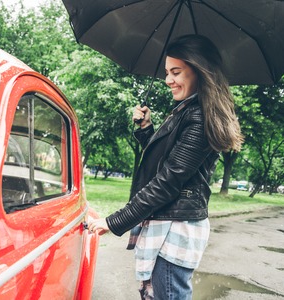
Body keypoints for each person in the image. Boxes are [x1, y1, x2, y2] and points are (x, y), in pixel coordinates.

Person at [87, 34, 243, 299]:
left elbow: (168, 181)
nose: (168, 80)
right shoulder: (186, 109)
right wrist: (146, 128)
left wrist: (114, 222)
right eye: (167, 72)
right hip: (169, 223)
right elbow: (167, 161)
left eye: (176, 72)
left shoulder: (199, 116)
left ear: (200, 71)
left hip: (176, 228)